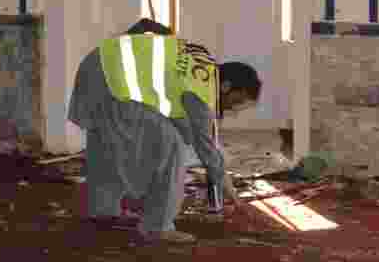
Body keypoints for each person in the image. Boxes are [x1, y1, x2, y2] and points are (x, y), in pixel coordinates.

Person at [67, 18, 262, 244]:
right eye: (236, 102)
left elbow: (181, 118)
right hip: (114, 82)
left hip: (97, 66)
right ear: (226, 87)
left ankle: (103, 209)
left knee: (106, 141)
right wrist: (232, 193)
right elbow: (206, 149)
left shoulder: (202, 61)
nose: (233, 110)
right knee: (172, 148)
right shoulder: (203, 90)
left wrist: (193, 135)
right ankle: (158, 226)